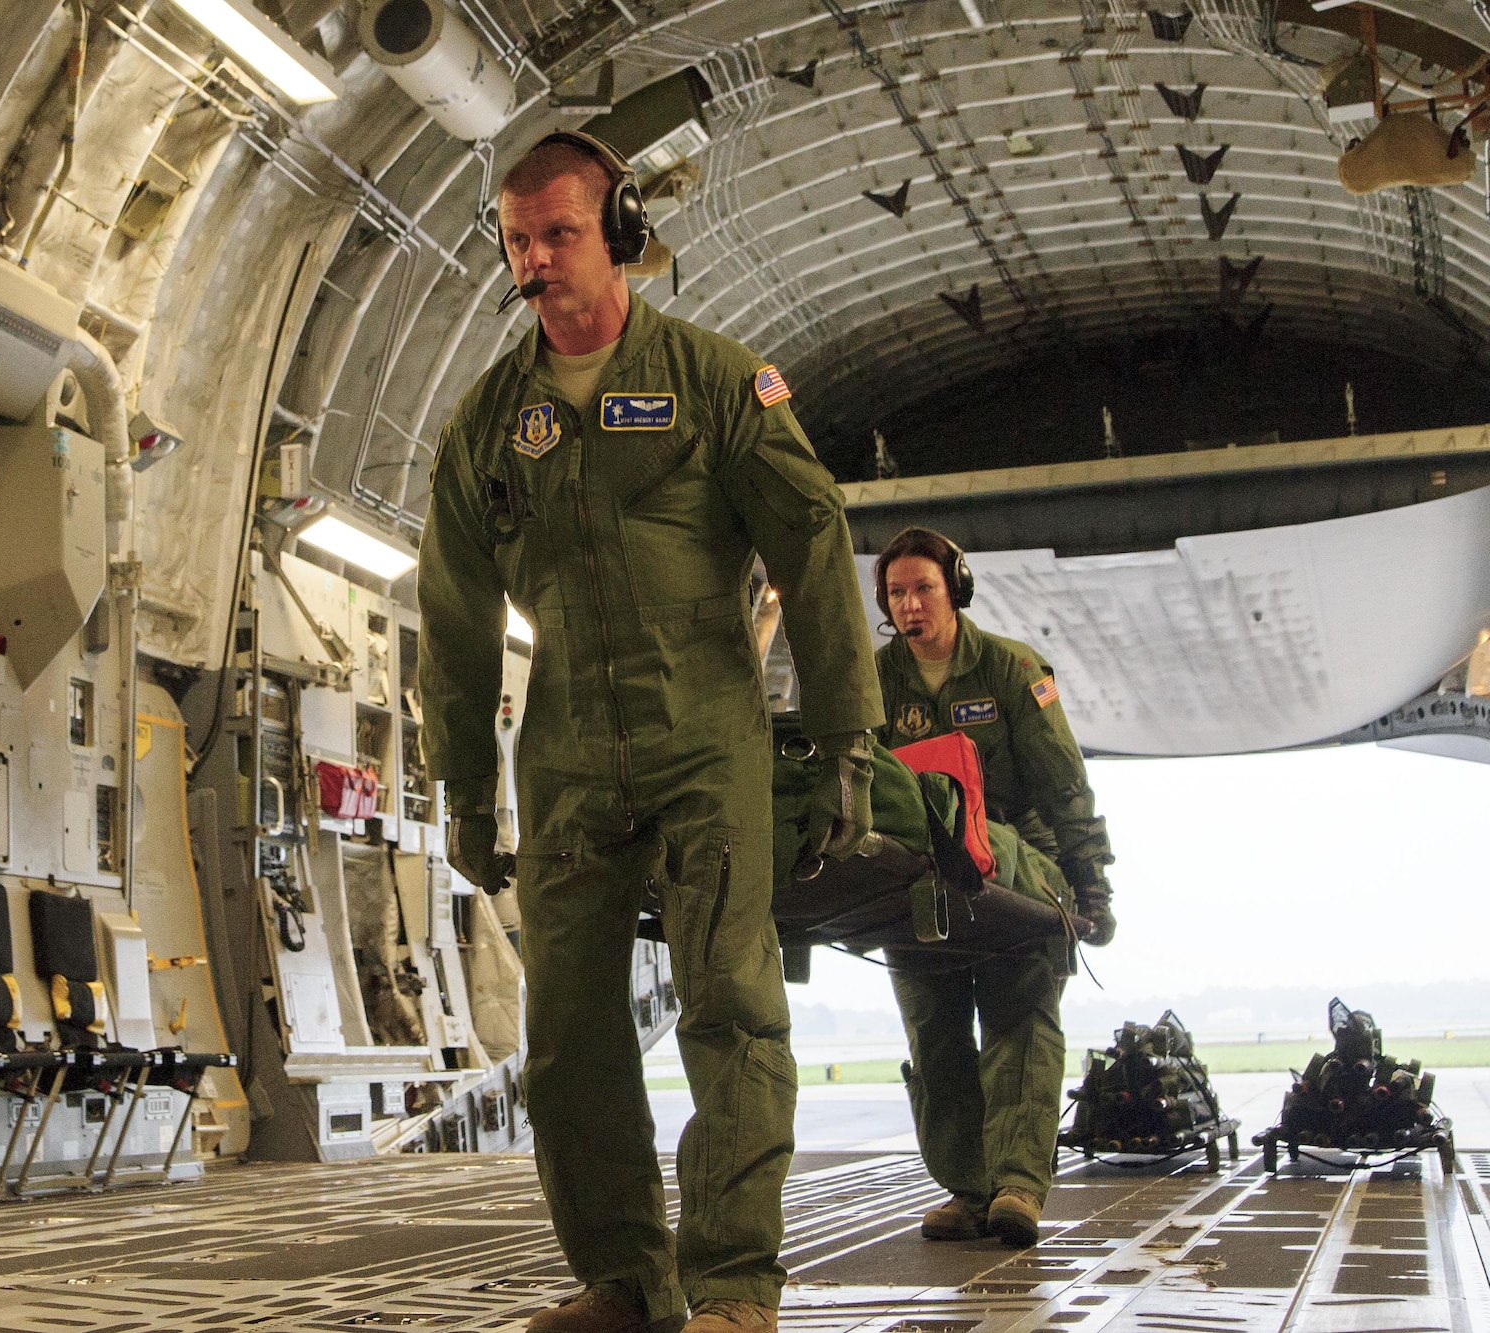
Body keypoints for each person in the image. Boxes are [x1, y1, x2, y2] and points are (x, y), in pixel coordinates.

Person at [417, 131, 884, 1333]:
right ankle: (626, 1277)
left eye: (559, 235)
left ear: (618, 231)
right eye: (516, 241)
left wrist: (846, 740)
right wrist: (464, 788)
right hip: (565, 748)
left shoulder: (717, 383)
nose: (533, 263)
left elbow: (812, 543)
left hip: (703, 734)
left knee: (727, 1004)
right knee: (566, 1031)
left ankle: (734, 1284)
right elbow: (453, 617)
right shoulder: (483, 425)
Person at [872, 526, 1116, 1248]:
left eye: (923, 588)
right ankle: (969, 1187)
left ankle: (1017, 1185)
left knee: (1018, 1018)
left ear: (956, 589)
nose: (910, 604)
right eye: (896, 592)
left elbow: (1063, 781)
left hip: (1016, 860)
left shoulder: (1013, 670)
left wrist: (1090, 880)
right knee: (934, 1027)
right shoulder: (874, 678)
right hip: (920, 866)